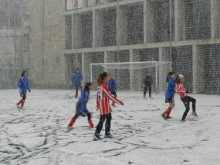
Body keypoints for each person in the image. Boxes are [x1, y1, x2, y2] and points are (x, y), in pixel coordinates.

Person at [94, 72, 124, 141]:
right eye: (107, 76)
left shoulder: (100, 85)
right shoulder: (103, 86)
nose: (108, 77)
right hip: (104, 106)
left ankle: (107, 133)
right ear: (104, 77)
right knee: (102, 120)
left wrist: (98, 104)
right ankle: (96, 134)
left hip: (106, 105)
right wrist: (118, 101)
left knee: (109, 118)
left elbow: (98, 96)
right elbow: (109, 96)